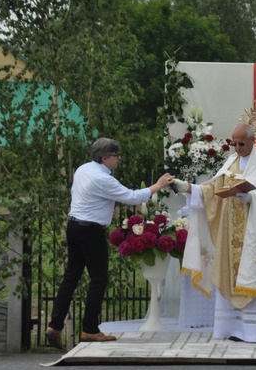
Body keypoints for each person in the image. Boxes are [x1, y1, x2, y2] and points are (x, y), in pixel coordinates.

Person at [45, 138, 175, 350]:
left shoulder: (84, 169)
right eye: (116, 156)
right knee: (99, 279)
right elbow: (133, 197)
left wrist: (108, 203)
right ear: (105, 158)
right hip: (90, 231)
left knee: (71, 276)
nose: (119, 159)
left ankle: (54, 326)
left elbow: (88, 195)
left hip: (74, 226)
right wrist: (158, 186)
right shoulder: (104, 179)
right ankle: (90, 329)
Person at [173, 123, 256, 342]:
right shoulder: (231, 163)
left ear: (252, 141)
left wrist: (253, 199)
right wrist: (189, 188)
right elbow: (212, 189)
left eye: (241, 144)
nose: (237, 148)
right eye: (234, 143)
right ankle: (234, 328)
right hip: (232, 236)